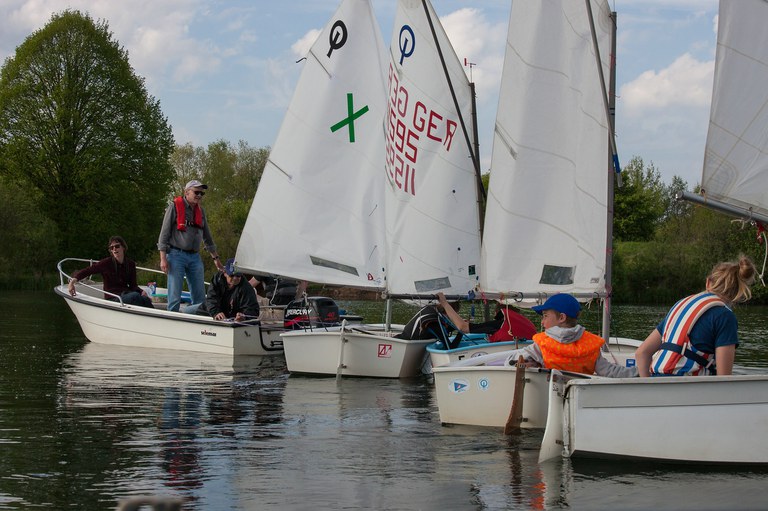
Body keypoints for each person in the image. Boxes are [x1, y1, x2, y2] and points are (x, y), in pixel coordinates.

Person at [635, 255, 756, 377]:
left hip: (656, 384)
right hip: (689, 389)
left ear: (708, 282)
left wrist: (648, 386)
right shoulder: (725, 317)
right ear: (738, 292)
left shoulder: (681, 305)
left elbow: (642, 353)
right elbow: (724, 377)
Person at [501, 293, 636, 377]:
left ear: (561, 318)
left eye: (545, 316)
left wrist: (534, 363)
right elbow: (610, 372)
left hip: (549, 399)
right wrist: (639, 371)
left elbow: (510, 363)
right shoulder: (590, 346)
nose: (542, 322)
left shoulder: (542, 345)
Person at [157, 179, 224, 312]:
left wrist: (216, 259)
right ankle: (172, 321)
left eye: (201, 193)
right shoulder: (174, 207)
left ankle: (196, 323)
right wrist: (163, 258)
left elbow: (207, 237)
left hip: (194, 257)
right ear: (186, 192)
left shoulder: (201, 211)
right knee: (175, 295)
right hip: (176, 255)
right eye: (196, 192)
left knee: (200, 296)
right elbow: (164, 234)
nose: (199, 195)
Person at [67, 236, 153, 308]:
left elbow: (133, 285)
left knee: (146, 299)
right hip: (112, 298)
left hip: (126, 294)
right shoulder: (106, 263)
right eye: (112, 248)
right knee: (135, 296)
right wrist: (72, 282)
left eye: (117, 246)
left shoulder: (130, 264)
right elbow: (88, 271)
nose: (114, 249)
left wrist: (141, 291)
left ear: (123, 247)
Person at [436, 292, 537, 342]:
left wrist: (444, 303)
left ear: (498, 312)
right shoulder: (527, 323)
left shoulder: (499, 324)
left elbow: (463, 327)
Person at [192, 258, 260, 322]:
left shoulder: (246, 288)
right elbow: (211, 298)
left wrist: (244, 316)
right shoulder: (217, 279)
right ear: (225, 273)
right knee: (186, 311)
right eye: (232, 276)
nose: (235, 278)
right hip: (208, 312)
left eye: (238, 275)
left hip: (230, 319)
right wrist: (216, 313)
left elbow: (253, 309)